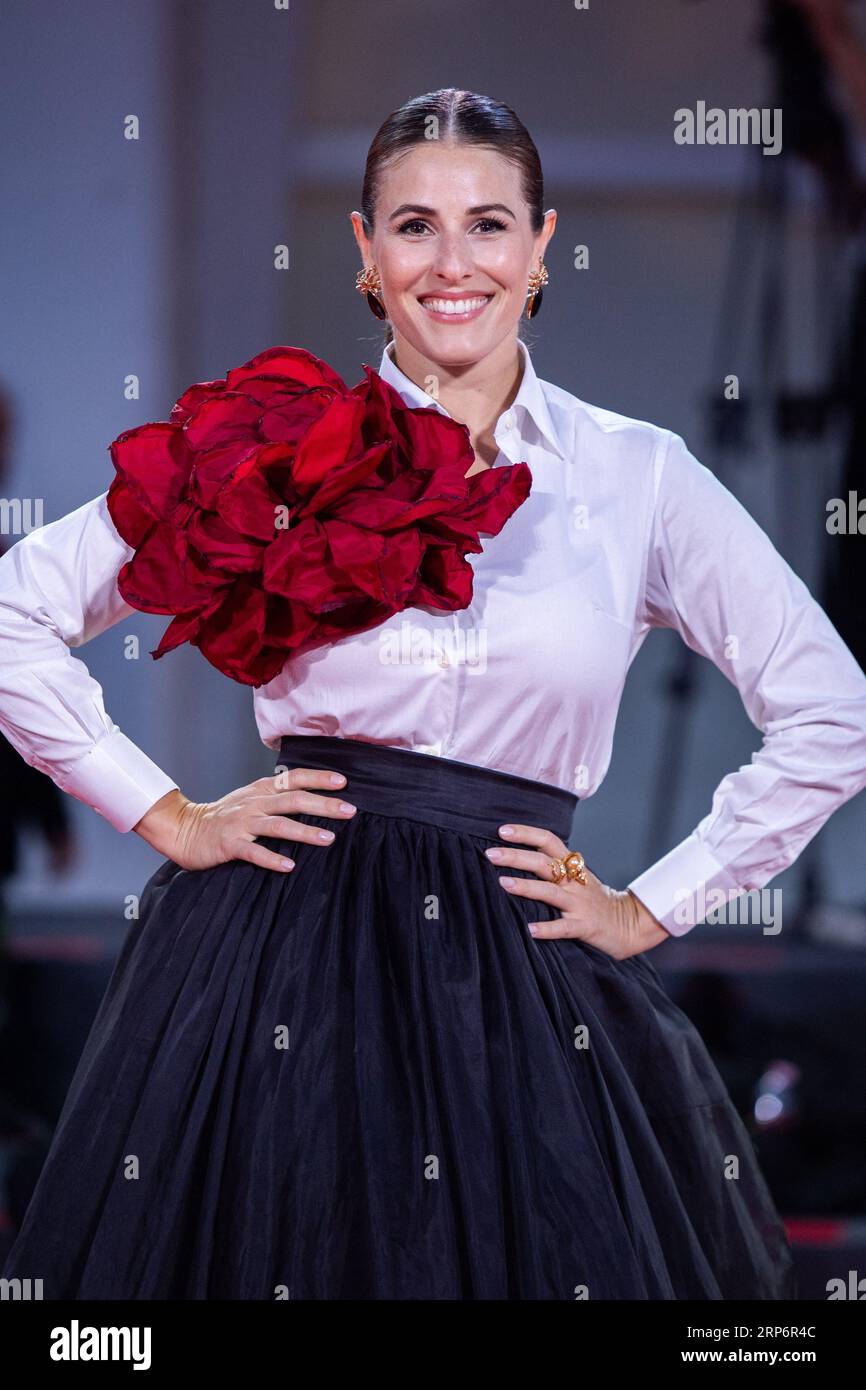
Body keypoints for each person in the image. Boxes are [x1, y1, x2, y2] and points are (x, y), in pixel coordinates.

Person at [2, 87, 866, 1301]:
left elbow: (832, 711)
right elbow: (13, 615)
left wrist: (656, 904)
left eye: (487, 225)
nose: (451, 264)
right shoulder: (269, 450)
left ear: (539, 244)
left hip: (519, 978)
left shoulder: (636, 479)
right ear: (363, 252)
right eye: (413, 226)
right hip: (275, 962)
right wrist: (167, 813)